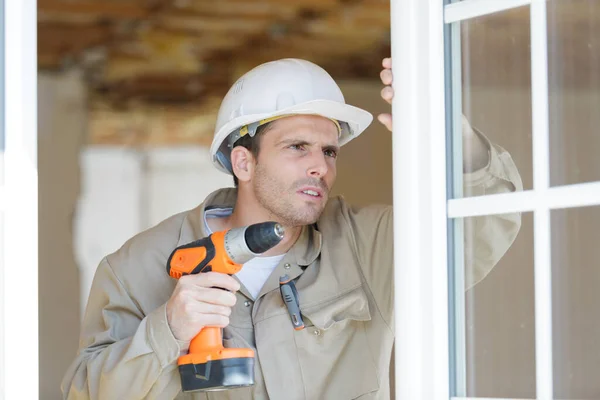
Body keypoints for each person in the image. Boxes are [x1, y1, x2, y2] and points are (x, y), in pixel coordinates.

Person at [61, 57, 522, 399]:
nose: (319, 166)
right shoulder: (137, 268)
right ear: (244, 161)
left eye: (329, 151)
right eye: (297, 146)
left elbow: (485, 226)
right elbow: (83, 392)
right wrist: (167, 330)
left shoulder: (366, 246)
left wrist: (454, 134)